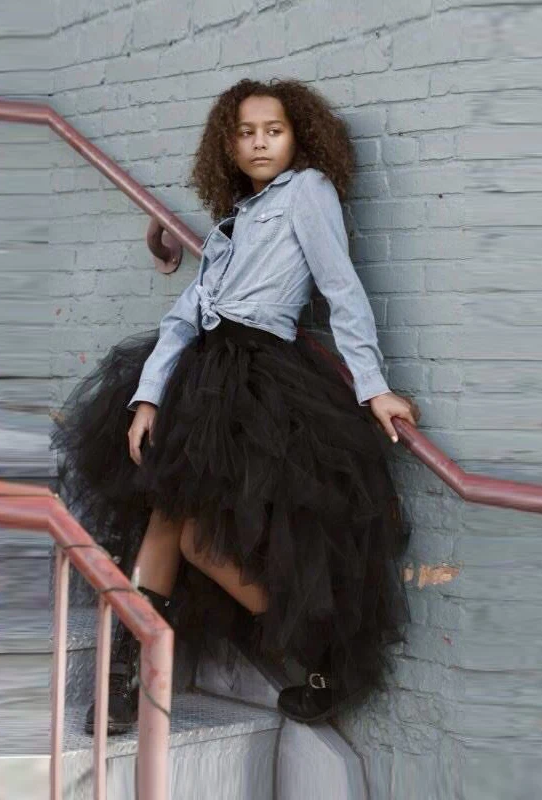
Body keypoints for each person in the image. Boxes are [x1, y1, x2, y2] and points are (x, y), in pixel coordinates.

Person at [50, 77, 420, 734]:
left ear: (296, 135)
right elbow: (183, 317)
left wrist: (374, 387)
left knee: (194, 535)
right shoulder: (232, 218)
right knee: (169, 518)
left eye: (272, 130)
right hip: (205, 375)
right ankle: (126, 677)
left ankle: (314, 648)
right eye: (246, 132)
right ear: (228, 143)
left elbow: (341, 288)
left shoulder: (307, 192)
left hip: (260, 380)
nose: (259, 143)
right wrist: (147, 399)